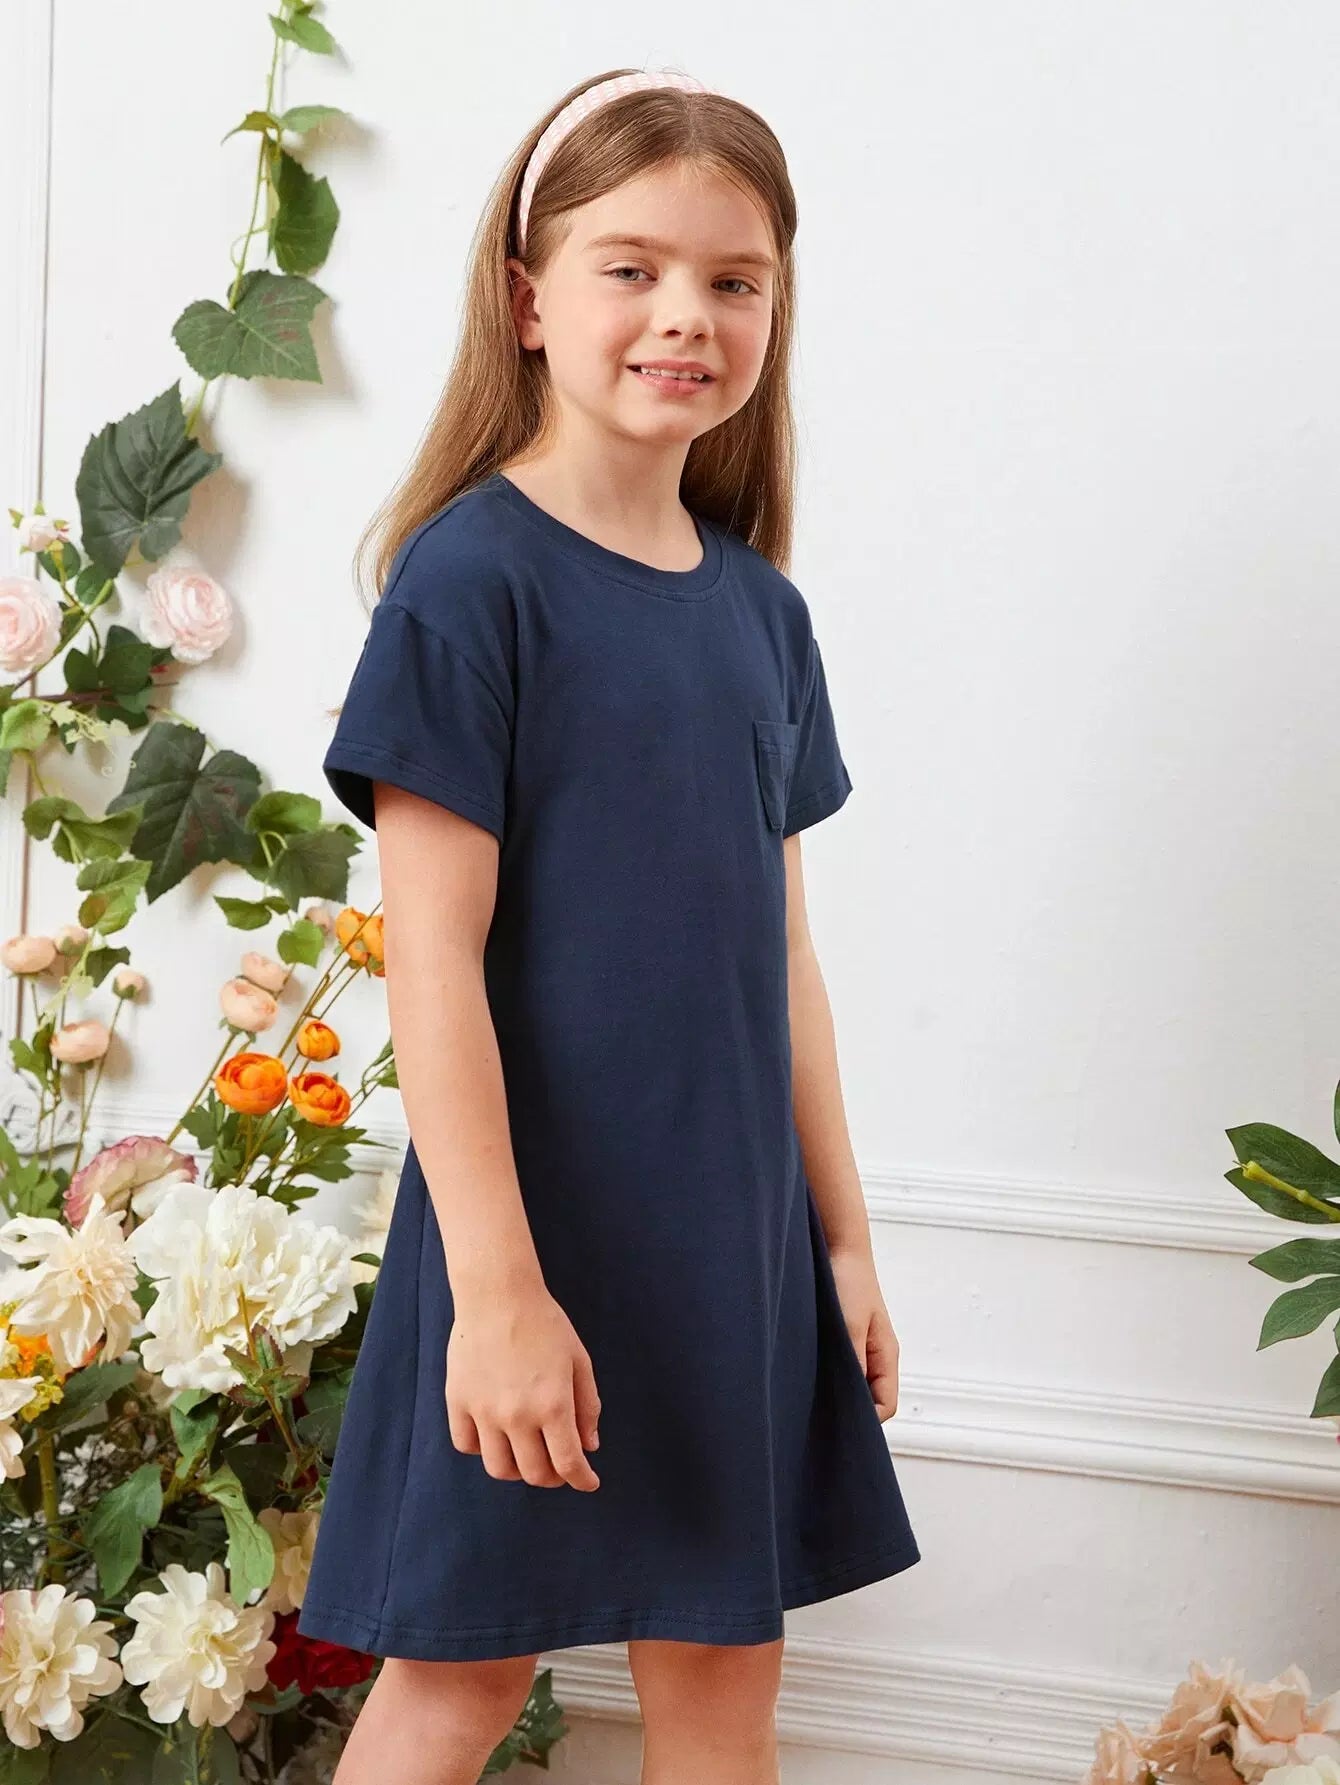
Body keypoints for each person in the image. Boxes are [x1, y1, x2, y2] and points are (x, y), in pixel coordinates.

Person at [296, 64, 921, 1785]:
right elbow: (432, 959)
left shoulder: (764, 618)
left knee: (722, 1680)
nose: (686, 316)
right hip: (526, 1233)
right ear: (529, 298)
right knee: (462, 1675)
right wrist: (497, 1289)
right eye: (631, 269)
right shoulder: (471, 582)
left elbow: (781, 961)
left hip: (729, 1242)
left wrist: (843, 1240)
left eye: (734, 280)